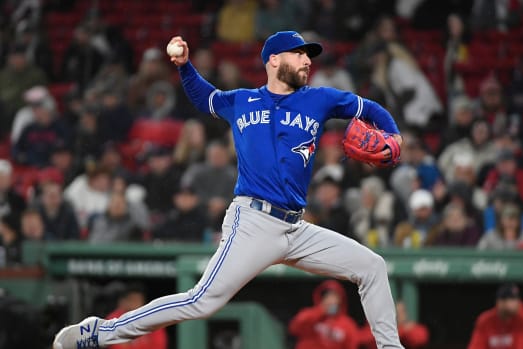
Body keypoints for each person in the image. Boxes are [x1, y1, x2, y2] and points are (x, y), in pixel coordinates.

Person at [54, 30, 404, 349]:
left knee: (371, 266)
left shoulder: (320, 99)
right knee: (200, 301)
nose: (307, 61)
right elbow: (204, 97)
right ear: (274, 60)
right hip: (253, 221)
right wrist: (185, 66)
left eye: (308, 56)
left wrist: (394, 135)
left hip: (296, 227)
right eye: (299, 54)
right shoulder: (241, 101)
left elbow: (369, 109)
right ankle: (100, 332)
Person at [289, 280, 359, 349]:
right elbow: (294, 328)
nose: (331, 301)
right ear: (321, 298)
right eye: (327, 297)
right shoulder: (310, 314)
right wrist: (320, 311)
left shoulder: (348, 323)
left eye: (335, 297)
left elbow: (352, 345)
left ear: (340, 300)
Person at [467, 283, 523, 349]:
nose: (509, 303)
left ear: (518, 301)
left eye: (513, 299)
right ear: (497, 302)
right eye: (505, 299)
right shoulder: (485, 320)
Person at [106, 283, 167, 349]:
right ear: (123, 302)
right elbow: (116, 347)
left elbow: (159, 345)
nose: (135, 304)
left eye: (138, 301)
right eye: (132, 300)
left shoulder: (152, 319)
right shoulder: (113, 320)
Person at [359, 302, 429, 349]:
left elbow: (422, 337)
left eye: (402, 311)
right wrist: (401, 330)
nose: (398, 315)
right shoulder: (376, 325)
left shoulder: (411, 329)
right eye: (396, 311)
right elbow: (364, 339)